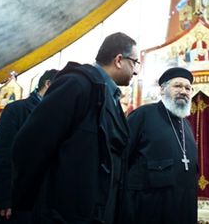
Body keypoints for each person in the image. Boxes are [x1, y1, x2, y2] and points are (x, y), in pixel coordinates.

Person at [11, 32, 139, 223]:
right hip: (66, 215)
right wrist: (42, 206)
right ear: (119, 60)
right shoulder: (77, 84)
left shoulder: (109, 95)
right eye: (135, 62)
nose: (136, 71)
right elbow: (30, 144)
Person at [123, 67, 198, 224]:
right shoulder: (143, 115)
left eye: (188, 88)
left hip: (183, 208)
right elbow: (122, 158)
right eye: (177, 86)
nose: (184, 91)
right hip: (147, 208)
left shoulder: (186, 125)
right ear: (163, 90)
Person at [0, 69, 58, 223]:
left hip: (40, 201)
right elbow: (2, 155)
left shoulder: (55, 114)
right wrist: (3, 198)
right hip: (14, 199)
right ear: (48, 84)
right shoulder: (16, 110)